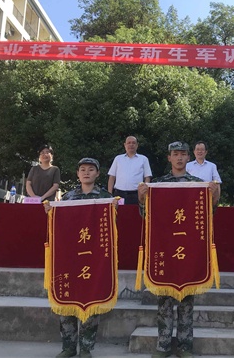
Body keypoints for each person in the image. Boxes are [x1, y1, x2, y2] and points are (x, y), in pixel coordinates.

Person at [138, 141, 220, 358]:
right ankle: (163, 345)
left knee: (186, 302)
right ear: (169, 158)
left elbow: (209, 213)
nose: (180, 157)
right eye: (175, 154)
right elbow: (145, 215)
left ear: (188, 157)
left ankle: (185, 346)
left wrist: (214, 196)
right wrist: (142, 198)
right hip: (165, 249)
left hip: (188, 250)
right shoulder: (158, 184)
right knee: (164, 302)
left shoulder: (198, 184)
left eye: (183, 154)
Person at [54, 157, 113, 358]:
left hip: (94, 258)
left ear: (98, 173)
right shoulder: (68, 197)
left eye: (91, 169)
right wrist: (50, 212)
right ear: (77, 174)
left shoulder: (105, 197)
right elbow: (59, 225)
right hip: (70, 257)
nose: (86, 172)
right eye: (82, 169)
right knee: (67, 299)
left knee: (92, 301)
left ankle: (86, 347)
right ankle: (68, 347)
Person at [107, 136, 152, 204]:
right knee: (120, 211)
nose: (131, 145)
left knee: (135, 211)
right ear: (125, 145)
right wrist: (109, 195)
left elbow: (147, 177)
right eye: (129, 143)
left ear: (137, 145)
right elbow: (112, 177)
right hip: (119, 195)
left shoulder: (143, 159)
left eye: (133, 143)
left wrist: (144, 193)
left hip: (136, 195)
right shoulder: (118, 159)